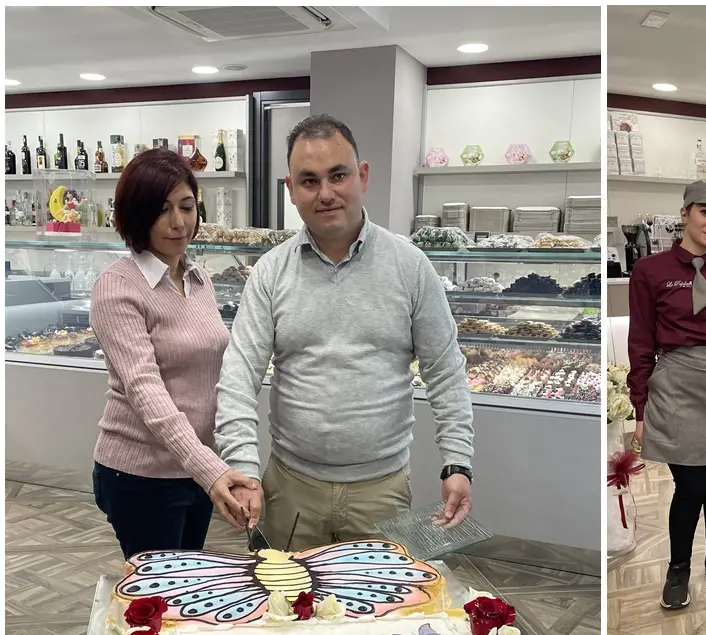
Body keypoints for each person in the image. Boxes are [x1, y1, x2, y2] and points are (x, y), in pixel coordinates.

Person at [215, 114, 474, 551]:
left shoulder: (410, 267)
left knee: (380, 597)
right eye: (309, 181)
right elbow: (239, 377)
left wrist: (458, 463)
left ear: (363, 176)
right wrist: (242, 466)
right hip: (289, 491)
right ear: (291, 189)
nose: (326, 193)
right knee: (283, 593)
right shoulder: (270, 273)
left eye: (338, 175)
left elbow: (445, 371)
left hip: (382, 492)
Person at [90, 148, 258, 559]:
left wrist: (215, 462)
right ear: (137, 214)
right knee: (161, 589)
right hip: (141, 474)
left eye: (187, 206)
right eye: (162, 209)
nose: (179, 222)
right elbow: (145, 390)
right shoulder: (118, 286)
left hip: (195, 467)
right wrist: (210, 469)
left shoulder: (199, 279)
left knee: (188, 579)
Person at [628, 181, 706, 610]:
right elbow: (640, 340)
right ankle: (678, 566)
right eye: (705, 213)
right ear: (684, 214)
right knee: (691, 484)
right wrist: (639, 407)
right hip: (677, 381)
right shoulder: (650, 270)